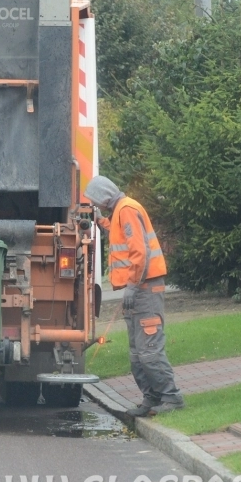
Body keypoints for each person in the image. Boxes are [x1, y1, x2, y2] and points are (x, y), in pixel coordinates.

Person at [84, 176, 184, 417]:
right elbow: (122, 234)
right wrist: (101, 222)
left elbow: (139, 252)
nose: (97, 205)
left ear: (104, 197)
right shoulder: (121, 211)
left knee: (148, 350)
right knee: (138, 353)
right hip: (140, 287)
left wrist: (132, 285)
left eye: (96, 202)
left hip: (144, 288)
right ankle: (152, 398)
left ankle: (171, 398)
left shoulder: (127, 210)